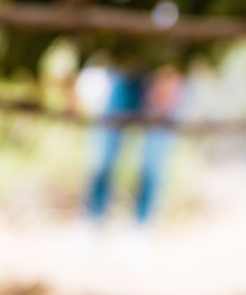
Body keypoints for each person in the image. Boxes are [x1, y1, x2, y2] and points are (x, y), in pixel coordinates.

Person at [75, 62, 185, 256]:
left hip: (165, 72)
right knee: (104, 156)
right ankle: (92, 224)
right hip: (125, 71)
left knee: (152, 164)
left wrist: (170, 73)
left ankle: (139, 231)